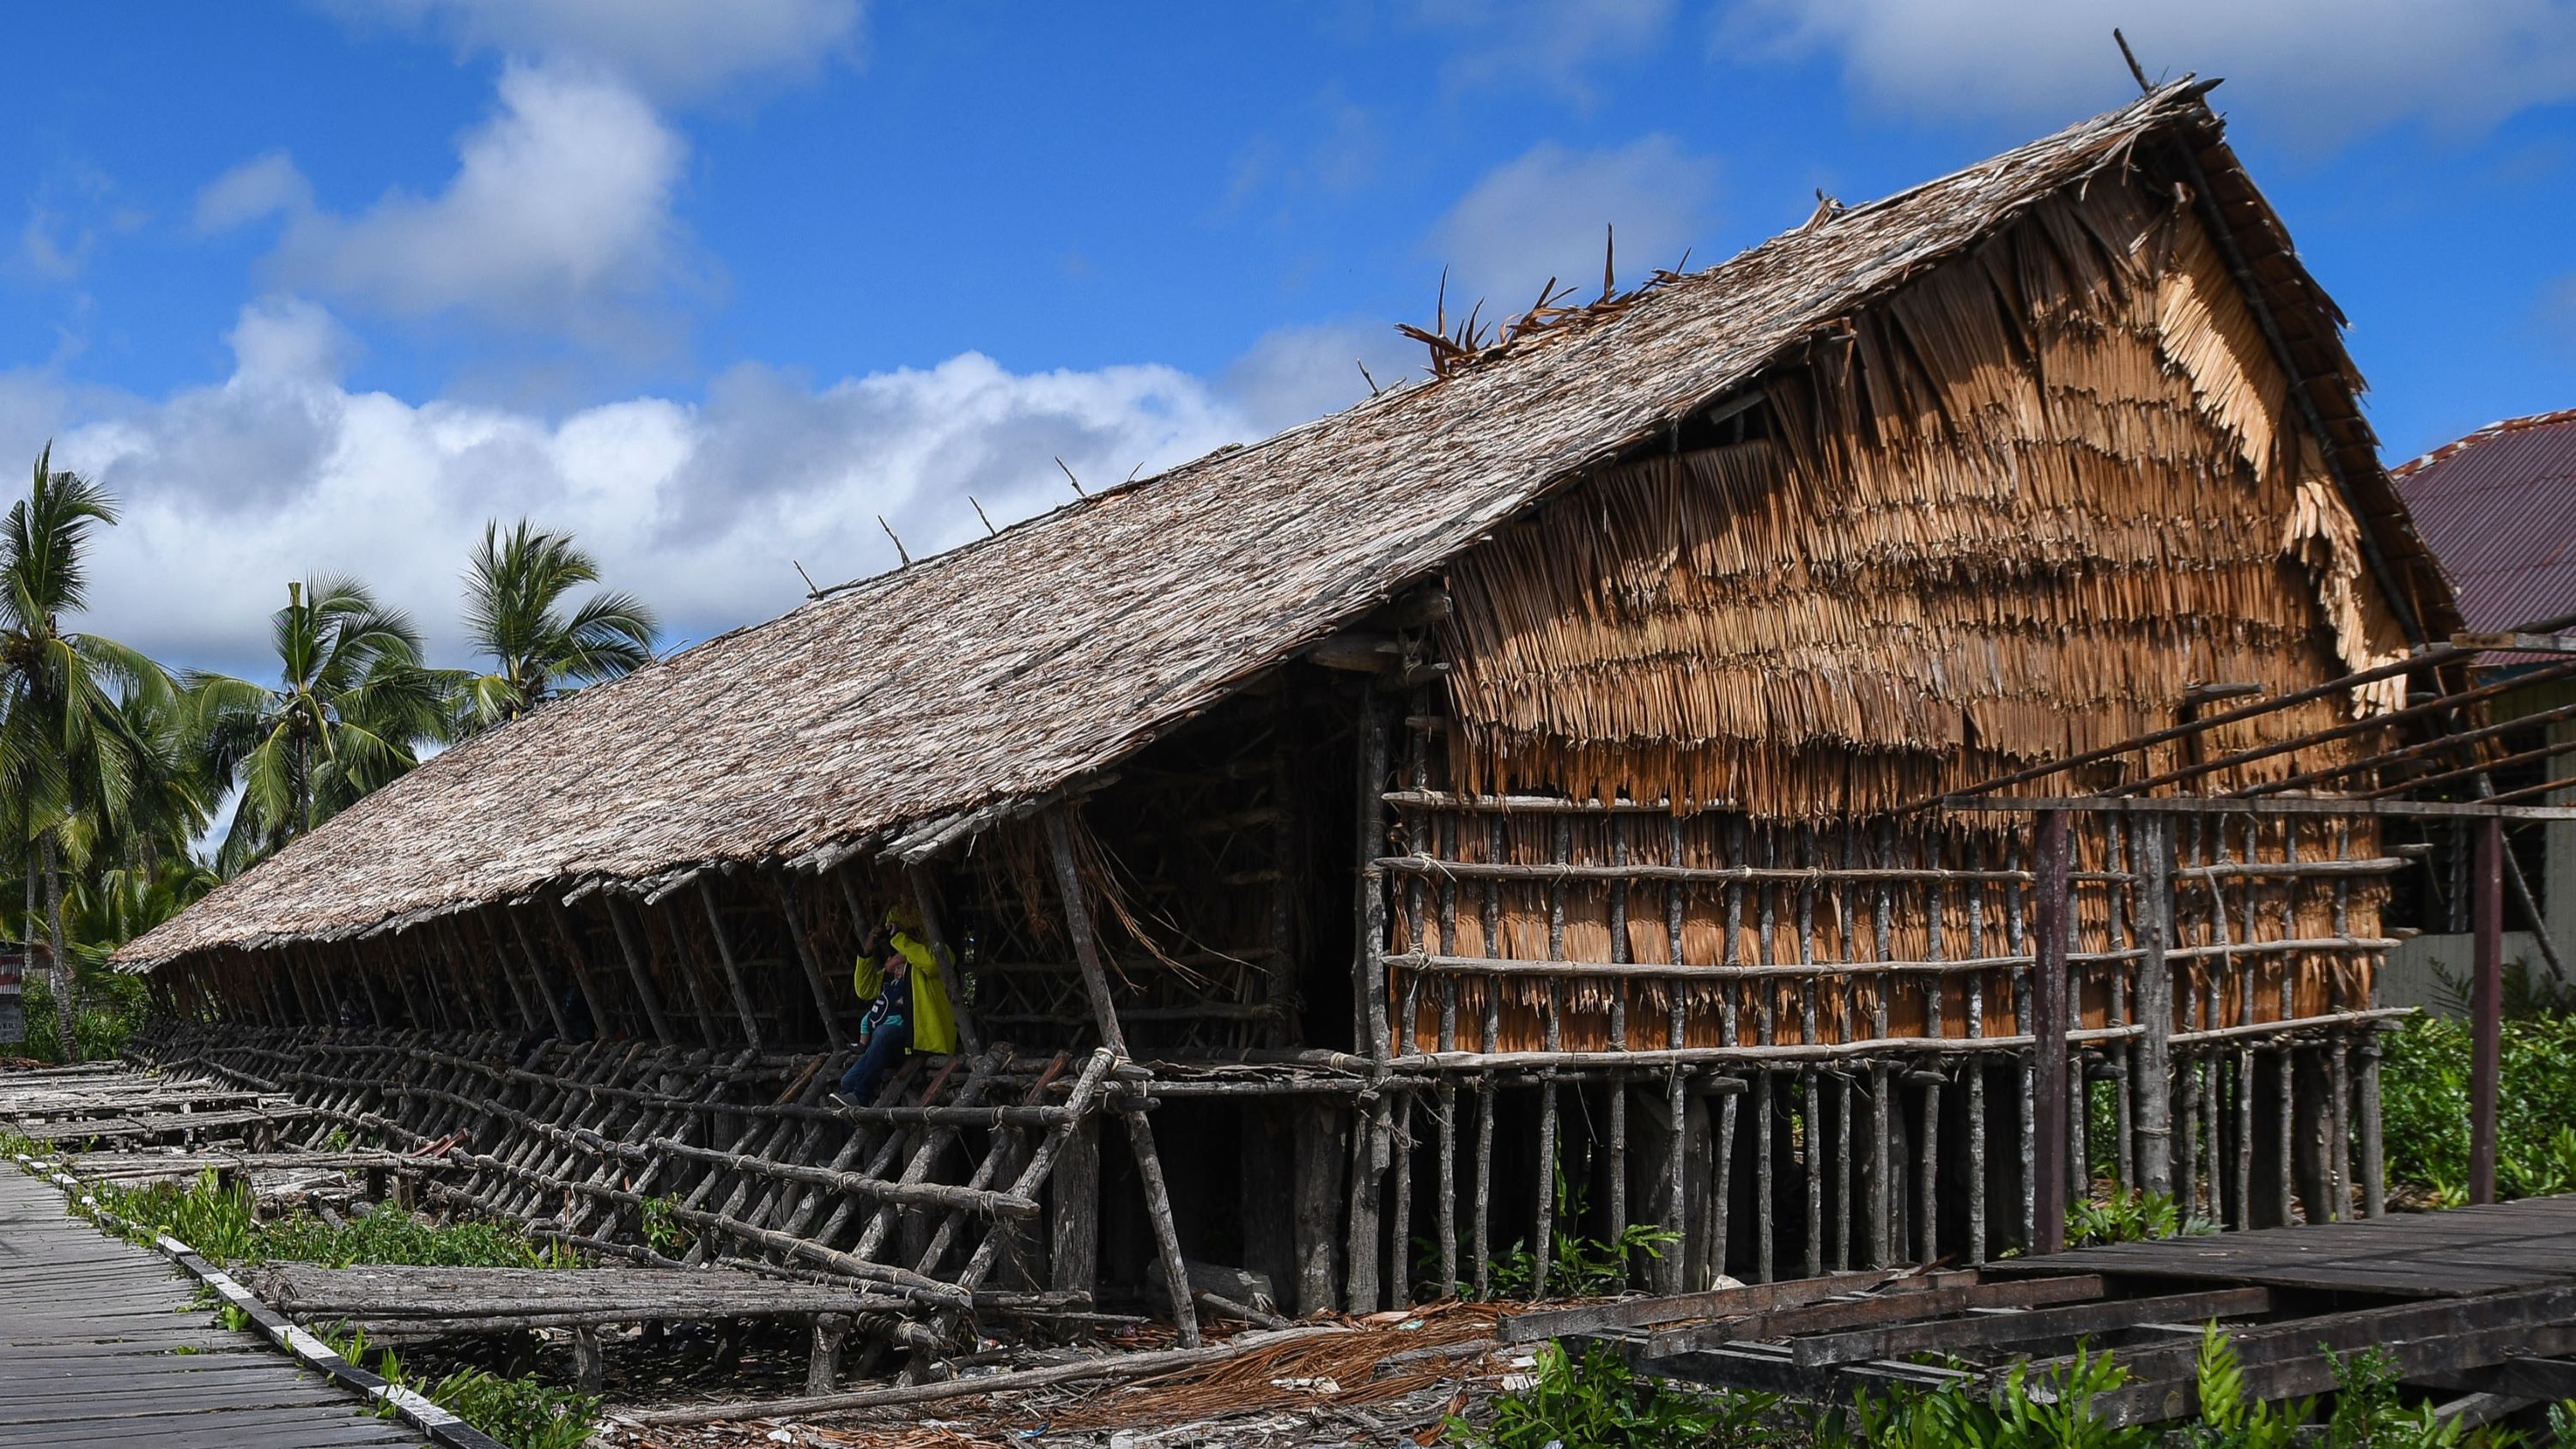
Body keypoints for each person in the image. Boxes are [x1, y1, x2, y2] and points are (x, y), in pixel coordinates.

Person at [830, 903, 958, 1110]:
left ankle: (861, 1097)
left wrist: (899, 938)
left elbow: (931, 963)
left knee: (883, 1033)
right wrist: (867, 951)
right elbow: (865, 990)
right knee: (847, 1082)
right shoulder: (898, 969)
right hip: (901, 1042)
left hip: (925, 1040)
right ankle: (853, 1127)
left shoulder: (938, 956)